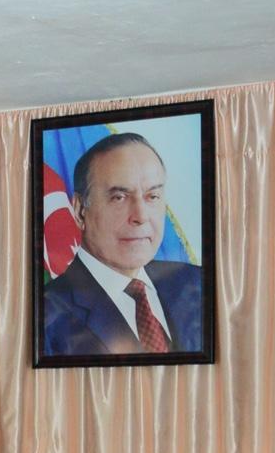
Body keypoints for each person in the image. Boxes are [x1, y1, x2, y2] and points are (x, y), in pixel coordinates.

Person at [40, 133, 206, 357]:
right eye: (119, 197)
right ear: (80, 210)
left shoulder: (198, 284)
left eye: (153, 196)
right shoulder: (46, 315)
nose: (140, 216)